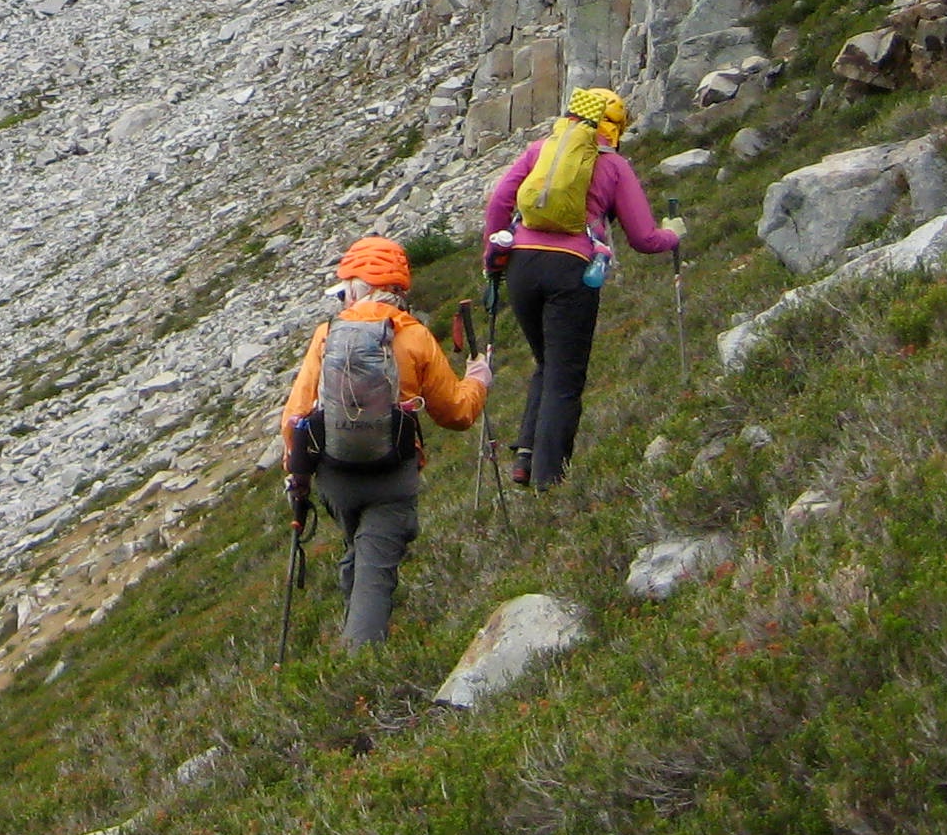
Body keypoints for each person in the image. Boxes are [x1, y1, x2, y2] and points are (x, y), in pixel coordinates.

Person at [277, 236, 490, 648]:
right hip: (392, 475)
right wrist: (479, 380)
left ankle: (353, 630)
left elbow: (296, 417)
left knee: (358, 548)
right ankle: (360, 668)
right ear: (398, 289)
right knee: (375, 571)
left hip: (336, 475)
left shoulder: (328, 335)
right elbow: (457, 414)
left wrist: (297, 477)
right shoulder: (414, 337)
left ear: (355, 286)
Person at [481, 86, 682, 490]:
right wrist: (673, 236)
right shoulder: (613, 165)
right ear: (616, 126)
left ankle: (525, 455)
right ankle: (548, 480)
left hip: (521, 264)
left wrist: (493, 256)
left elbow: (498, 204)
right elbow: (644, 238)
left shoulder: (540, 150)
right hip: (572, 270)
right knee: (565, 376)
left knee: (545, 360)